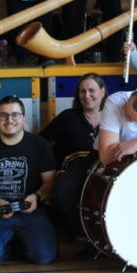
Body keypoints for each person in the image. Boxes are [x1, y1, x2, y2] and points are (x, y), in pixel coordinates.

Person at [0, 96, 58, 266]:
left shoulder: (41, 146)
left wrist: (37, 197)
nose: (9, 120)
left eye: (15, 115)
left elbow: (50, 183)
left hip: (32, 210)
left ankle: (19, 242)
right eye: (3, 115)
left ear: (23, 117)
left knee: (44, 256)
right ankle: (10, 244)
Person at [41, 73, 105, 240]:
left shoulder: (113, 116)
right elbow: (41, 142)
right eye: (82, 91)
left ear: (103, 92)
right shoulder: (68, 117)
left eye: (92, 90)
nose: (87, 95)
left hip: (104, 168)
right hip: (74, 169)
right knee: (63, 190)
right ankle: (79, 232)